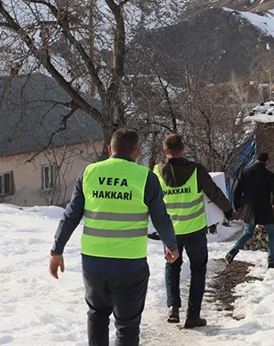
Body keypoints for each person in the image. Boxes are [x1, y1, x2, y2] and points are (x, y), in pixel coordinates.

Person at [49, 129, 179, 346]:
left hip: (94, 263)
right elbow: (161, 218)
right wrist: (171, 245)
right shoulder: (145, 177)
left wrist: (57, 250)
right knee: (127, 326)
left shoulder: (90, 172)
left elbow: (71, 215)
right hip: (130, 265)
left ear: (110, 149)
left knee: (97, 315)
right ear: (137, 152)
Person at [154, 134, 234, 329]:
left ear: (166, 151)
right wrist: (228, 210)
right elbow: (213, 192)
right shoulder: (196, 170)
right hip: (195, 231)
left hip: (170, 232)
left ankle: (173, 307)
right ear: (183, 149)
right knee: (198, 270)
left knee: (172, 266)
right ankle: (193, 316)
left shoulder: (156, 171)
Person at [224, 152, 274, 268]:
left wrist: (236, 206)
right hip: (265, 208)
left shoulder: (245, 172)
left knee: (248, 232)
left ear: (256, 160)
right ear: (267, 161)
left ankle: (233, 251)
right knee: (271, 234)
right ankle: (271, 261)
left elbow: (236, 190)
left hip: (250, 208)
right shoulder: (269, 174)